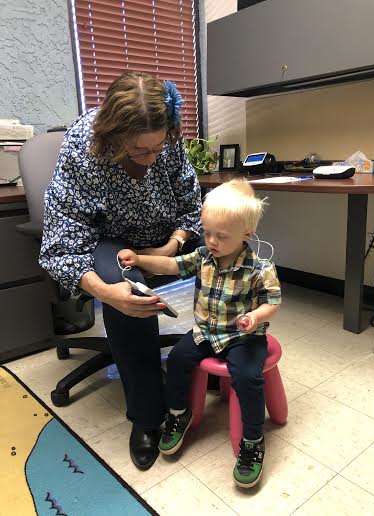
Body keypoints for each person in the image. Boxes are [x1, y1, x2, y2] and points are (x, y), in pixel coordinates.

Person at [39, 71, 202, 471]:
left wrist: (172, 245)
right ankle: (147, 417)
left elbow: (190, 200)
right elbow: (63, 243)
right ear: (112, 137)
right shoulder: (81, 147)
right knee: (121, 284)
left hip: (166, 237)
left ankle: (224, 354)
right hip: (111, 243)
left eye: (157, 148)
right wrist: (107, 293)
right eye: (138, 150)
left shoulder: (167, 138)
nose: (151, 158)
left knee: (232, 239)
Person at [118, 178, 282, 488]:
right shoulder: (203, 257)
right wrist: (140, 259)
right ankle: (179, 414)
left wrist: (254, 316)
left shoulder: (259, 268)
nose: (211, 241)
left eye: (221, 236)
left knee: (247, 378)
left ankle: (253, 440)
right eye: (207, 233)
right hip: (206, 332)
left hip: (243, 338)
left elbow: (273, 301)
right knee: (178, 359)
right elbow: (170, 264)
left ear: (246, 235)